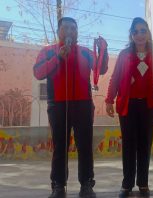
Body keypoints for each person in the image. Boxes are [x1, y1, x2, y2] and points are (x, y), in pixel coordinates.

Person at [33, 17, 108, 198]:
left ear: (77, 32)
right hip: (57, 105)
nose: (69, 31)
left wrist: (103, 51)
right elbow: (38, 73)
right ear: (59, 31)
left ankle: (87, 184)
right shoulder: (48, 51)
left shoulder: (85, 52)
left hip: (82, 104)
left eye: (73, 28)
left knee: (85, 146)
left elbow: (101, 69)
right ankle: (58, 185)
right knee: (60, 146)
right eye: (65, 28)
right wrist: (58, 57)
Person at [105, 17, 153, 198]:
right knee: (129, 145)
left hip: (149, 106)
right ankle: (127, 184)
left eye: (143, 30)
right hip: (128, 105)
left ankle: (143, 183)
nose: (140, 35)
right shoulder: (124, 54)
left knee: (145, 144)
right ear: (131, 35)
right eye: (135, 31)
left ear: (148, 33)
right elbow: (115, 77)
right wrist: (108, 100)